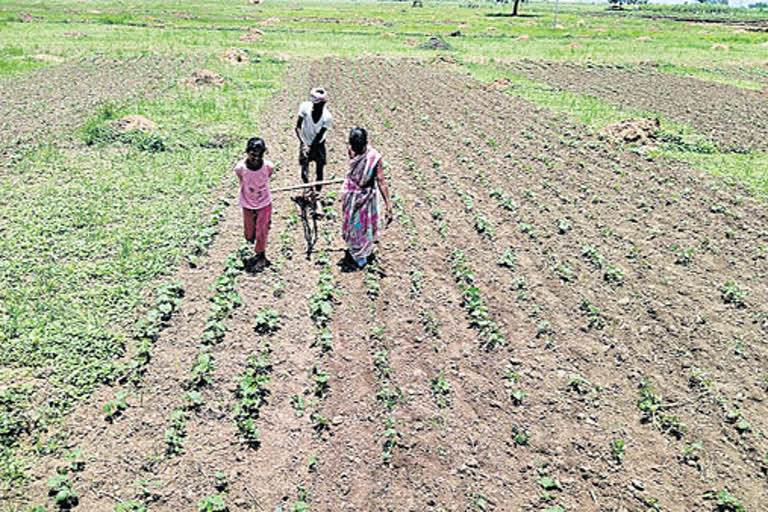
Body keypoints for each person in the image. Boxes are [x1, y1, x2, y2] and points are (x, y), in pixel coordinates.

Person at [341, 127, 393, 269]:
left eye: (358, 147)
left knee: (362, 225)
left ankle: (361, 251)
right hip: (352, 194)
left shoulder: (374, 158)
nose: (354, 150)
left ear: (365, 144)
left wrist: (388, 205)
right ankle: (356, 251)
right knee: (355, 224)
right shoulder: (352, 150)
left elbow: (381, 181)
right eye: (353, 146)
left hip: (364, 197)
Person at [234, 137, 274, 271]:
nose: (256, 158)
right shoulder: (240, 168)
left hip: (264, 202)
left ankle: (261, 254)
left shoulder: (268, 166)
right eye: (253, 154)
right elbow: (242, 180)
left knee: (261, 230)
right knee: (249, 232)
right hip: (247, 202)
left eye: (259, 154)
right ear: (247, 152)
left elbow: (267, 176)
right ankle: (251, 242)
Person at [295, 87, 332, 192]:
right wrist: (304, 144)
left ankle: (317, 193)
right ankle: (309, 190)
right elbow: (297, 127)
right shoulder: (304, 108)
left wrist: (311, 148)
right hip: (305, 141)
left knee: (319, 171)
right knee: (304, 172)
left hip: (319, 144)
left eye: (321, 105)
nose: (318, 107)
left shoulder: (327, 117)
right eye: (316, 105)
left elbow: (319, 136)